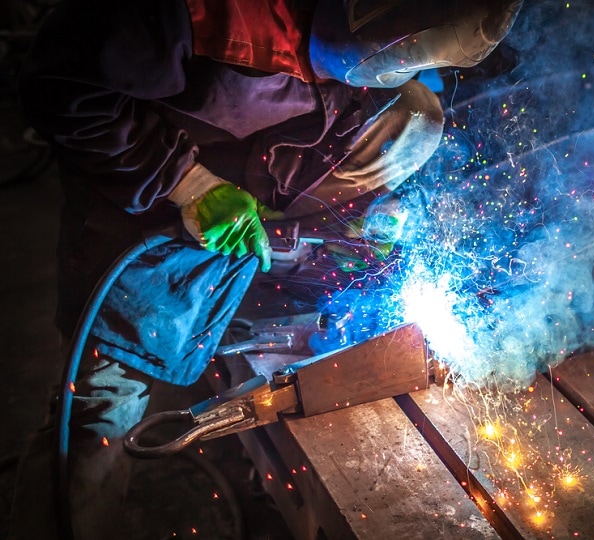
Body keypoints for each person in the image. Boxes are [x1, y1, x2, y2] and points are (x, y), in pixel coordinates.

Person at [8, 0, 523, 538]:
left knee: (415, 115)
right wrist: (187, 183)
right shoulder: (201, 14)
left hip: (257, 190)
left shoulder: (403, 46)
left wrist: (368, 208)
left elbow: (378, 96)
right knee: (101, 415)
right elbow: (57, 84)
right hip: (145, 203)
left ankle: (283, 268)